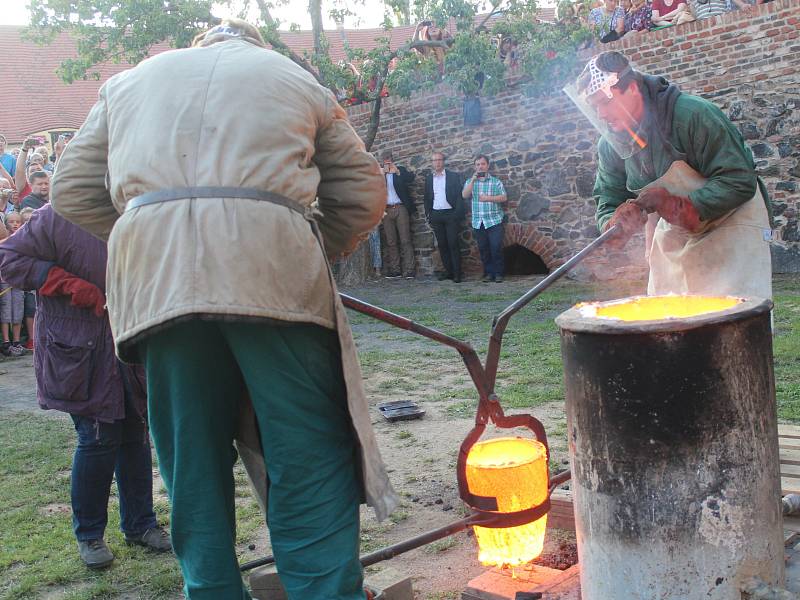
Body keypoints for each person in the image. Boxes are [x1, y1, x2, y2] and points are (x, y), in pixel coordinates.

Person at [50, 18, 396, 600]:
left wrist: (153, 236)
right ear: (254, 45)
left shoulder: (129, 82)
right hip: (273, 279)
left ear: (199, 45)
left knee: (190, 459)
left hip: (160, 291)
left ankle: (208, 590)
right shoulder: (292, 76)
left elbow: (71, 190)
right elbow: (363, 193)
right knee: (307, 451)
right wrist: (304, 247)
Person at [0, 205, 171, 567]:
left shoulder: (132, 207)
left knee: (134, 433)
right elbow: (9, 259)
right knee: (97, 437)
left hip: (126, 342)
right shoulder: (56, 215)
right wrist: (66, 283)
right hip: (80, 349)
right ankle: (90, 535)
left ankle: (140, 524)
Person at [566, 51, 772, 299]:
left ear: (631, 88)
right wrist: (614, 223)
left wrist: (676, 205)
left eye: (605, 102)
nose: (600, 114)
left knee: (735, 314)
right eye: (594, 106)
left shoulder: (692, 115)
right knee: (670, 317)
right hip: (677, 227)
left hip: (732, 220)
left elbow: (738, 179)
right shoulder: (610, 144)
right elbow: (608, 199)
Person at [462, 154, 507, 283]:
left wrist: (488, 198)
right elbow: (464, 195)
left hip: (494, 220)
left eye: (482, 164)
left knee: (496, 247)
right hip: (478, 222)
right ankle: (488, 273)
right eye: (478, 164)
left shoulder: (495, 182)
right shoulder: (470, 182)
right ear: (474, 167)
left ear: (487, 165)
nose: (480, 167)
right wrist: (472, 181)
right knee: (483, 248)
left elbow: (504, 197)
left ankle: (498, 274)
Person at [424, 152, 465, 282]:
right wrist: (429, 214)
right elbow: (426, 198)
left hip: (450, 214)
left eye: (439, 160)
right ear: (432, 163)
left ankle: (457, 274)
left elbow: (459, 196)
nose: (437, 163)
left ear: (444, 161)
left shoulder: (453, 176)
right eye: (434, 160)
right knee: (442, 245)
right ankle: (449, 272)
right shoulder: (429, 178)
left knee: (453, 244)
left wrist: (456, 214)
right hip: (436, 215)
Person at [380, 150, 417, 279]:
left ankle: (410, 269)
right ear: (382, 161)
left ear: (392, 158)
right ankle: (395, 270)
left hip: (400, 208)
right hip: (386, 210)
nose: (387, 160)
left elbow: (411, 178)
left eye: (389, 158)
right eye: (385, 159)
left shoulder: (399, 169)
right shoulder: (379, 173)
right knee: (391, 241)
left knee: (405, 239)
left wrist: (397, 172)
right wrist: (380, 174)